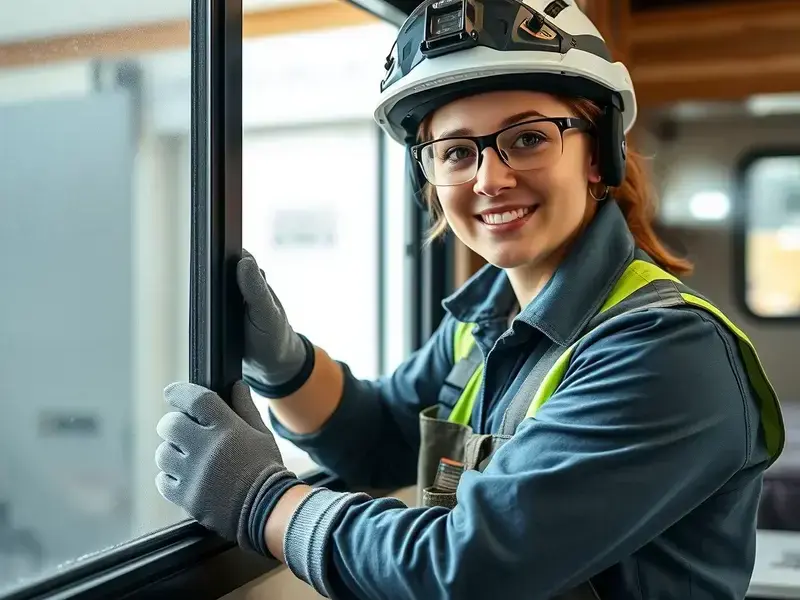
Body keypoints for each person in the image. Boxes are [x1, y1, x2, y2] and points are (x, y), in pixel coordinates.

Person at [154, 0, 786, 598]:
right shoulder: (486, 320)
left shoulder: (666, 352)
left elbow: (468, 571)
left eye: (529, 138)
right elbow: (376, 438)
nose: (489, 178)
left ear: (598, 153)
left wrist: (262, 501)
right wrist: (282, 365)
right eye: (456, 152)